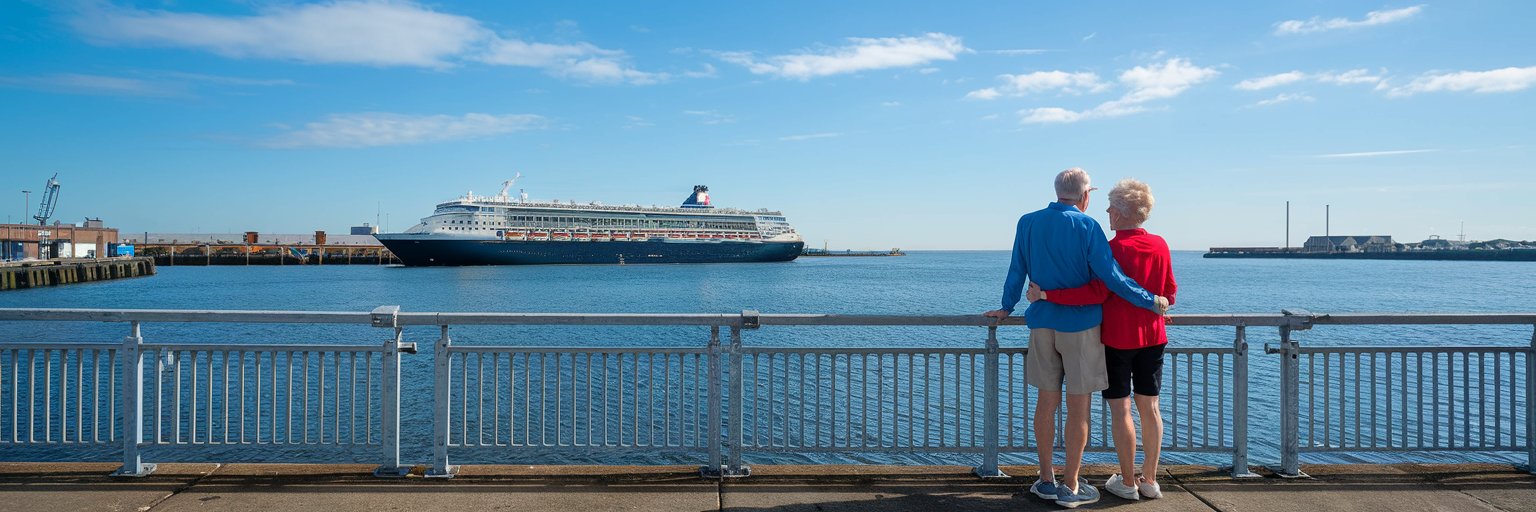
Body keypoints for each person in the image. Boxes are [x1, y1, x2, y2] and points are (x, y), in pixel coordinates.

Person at [983, 168, 1169, 509]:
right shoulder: (1088, 226)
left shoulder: (1027, 222)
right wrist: (1151, 301)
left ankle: (1045, 479)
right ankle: (1070, 486)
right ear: (1085, 196)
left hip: (1041, 325)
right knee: (1078, 409)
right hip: (1082, 328)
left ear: (1057, 191)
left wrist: (1006, 306)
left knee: (1046, 402)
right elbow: (1111, 277)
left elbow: (1016, 269)